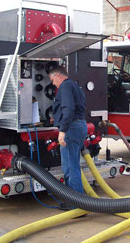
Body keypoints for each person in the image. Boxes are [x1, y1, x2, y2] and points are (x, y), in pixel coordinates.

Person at [48, 66, 87, 200]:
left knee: (70, 167)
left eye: (53, 79)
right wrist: (57, 116)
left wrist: (62, 131)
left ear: (58, 76)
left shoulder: (64, 87)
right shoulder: (75, 86)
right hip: (80, 125)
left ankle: (76, 203)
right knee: (74, 164)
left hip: (71, 128)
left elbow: (69, 109)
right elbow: (76, 107)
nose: (53, 83)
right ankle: (79, 200)